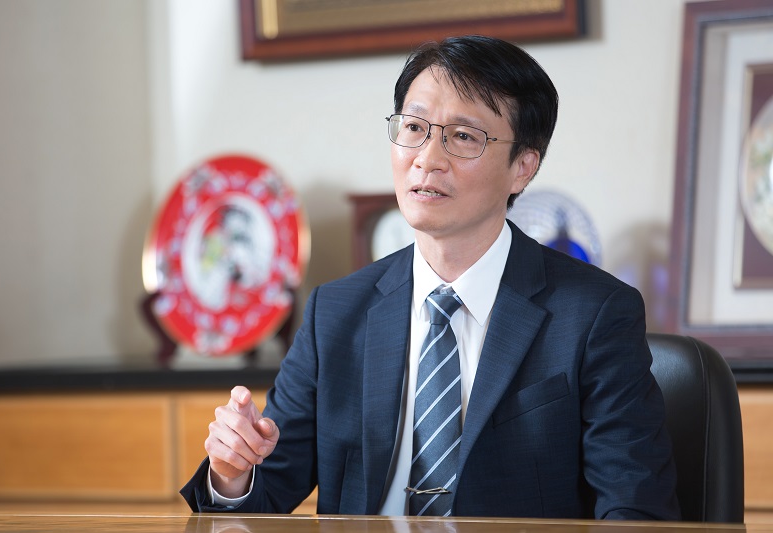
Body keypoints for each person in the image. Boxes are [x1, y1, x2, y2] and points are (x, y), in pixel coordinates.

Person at [180, 35, 680, 520]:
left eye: (463, 137)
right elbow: (264, 497)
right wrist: (232, 473)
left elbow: (636, 509)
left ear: (523, 167)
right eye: (414, 127)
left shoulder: (594, 314)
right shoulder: (334, 313)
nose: (427, 158)